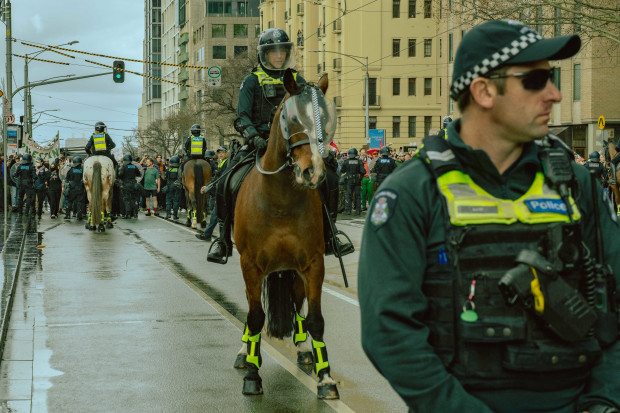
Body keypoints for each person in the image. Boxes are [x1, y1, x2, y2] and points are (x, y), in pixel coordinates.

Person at [358, 20, 620, 413]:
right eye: (536, 80)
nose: (555, 94)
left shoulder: (576, 183)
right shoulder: (412, 191)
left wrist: (603, 402)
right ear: (483, 91)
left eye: (551, 78)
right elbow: (389, 332)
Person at [207, 27, 354, 263]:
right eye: (273, 52)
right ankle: (223, 240)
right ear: (264, 55)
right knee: (226, 180)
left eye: (282, 51)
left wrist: (318, 140)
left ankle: (331, 234)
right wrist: (253, 136)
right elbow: (242, 117)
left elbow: (312, 113)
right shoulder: (251, 81)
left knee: (331, 178)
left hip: (296, 143)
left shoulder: (298, 80)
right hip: (259, 143)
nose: (278, 56)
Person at [197, 147, 229, 241]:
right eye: (219, 153)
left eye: (222, 152)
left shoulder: (227, 163)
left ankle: (211, 235)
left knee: (217, 215)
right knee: (215, 215)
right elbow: (216, 178)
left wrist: (208, 186)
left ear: (226, 153)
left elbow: (220, 178)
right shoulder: (221, 162)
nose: (220, 154)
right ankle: (209, 235)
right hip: (220, 192)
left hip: (223, 193)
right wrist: (206, 186)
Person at [341, 148, 365, 215]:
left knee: (348, 195)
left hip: (349, 181)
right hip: (357, 181)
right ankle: (358, 210)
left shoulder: (346, 161)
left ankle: (348, 210)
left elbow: (342, 170)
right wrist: (360, 176)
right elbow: (363, 171)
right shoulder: (359, 161)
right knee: (357, 196)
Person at [117, 154, 141, 219]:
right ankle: (135, 214)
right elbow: (139, 174)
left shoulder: (123, 166)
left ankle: (128, 214)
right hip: (134, 184)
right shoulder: (134, 166)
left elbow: (120, 174)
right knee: (133, 199)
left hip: (126, 184)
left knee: (126, 199)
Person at [163, 155, 182, 220]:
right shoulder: (180, 169)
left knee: (168, 200)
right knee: (176, 201)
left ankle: (168, 214)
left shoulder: (169, 169)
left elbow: (165, 178)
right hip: (177, 186)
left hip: (169, 186)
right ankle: (175, 215)